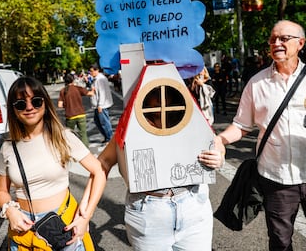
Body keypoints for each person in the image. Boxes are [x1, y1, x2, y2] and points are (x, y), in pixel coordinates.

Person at [213, 20, 306, 251]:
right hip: (275, 179)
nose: (276, 43)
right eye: (272, 39)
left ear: (300, 43)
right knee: (280, 243)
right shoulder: (256, 83)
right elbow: (241, 125)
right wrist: (220, 139)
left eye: (283, 38)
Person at [83, 85, 224, 250]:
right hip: (149, 211)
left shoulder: (189, 117)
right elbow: (103, 162)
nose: (160, 98)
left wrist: (219, 156)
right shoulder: (131, 125)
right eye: (154, 91)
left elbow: (217, 143)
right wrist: (86, 210)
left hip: (193, 203)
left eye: (163, 91)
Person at [0, 76, 106, 250]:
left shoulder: (63, 137)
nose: (29, 107)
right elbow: (1, 191)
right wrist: (9, 210)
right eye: (21, 104)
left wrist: (85, 215)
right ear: (13, 110)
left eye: (36, 101)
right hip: (22, 233)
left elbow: (98, 171)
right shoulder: (8, 147)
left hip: (63, 227)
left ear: (45, 104)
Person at [58, 73, 94, 147]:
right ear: (73, 80)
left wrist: (66, 104)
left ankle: (71, 148)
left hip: (70, 116)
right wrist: (93, 89)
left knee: (69, 134)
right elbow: (90, 93)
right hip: (81, 114)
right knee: (83, 134)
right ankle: (85, 149)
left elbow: (60, 105)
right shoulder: (78, 88)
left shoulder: (63, 91)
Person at [89, 63, 114, 143]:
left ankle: (109, 138)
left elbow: (102, 93)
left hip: (101, 105)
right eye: (90, 71)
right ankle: (107, 137)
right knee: (98, 121)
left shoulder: (99, 79)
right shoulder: (97, 78)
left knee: (104, 122)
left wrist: (100, 105)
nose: (91, 73)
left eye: (92, 71)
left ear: (97, 70)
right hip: (99, 105)